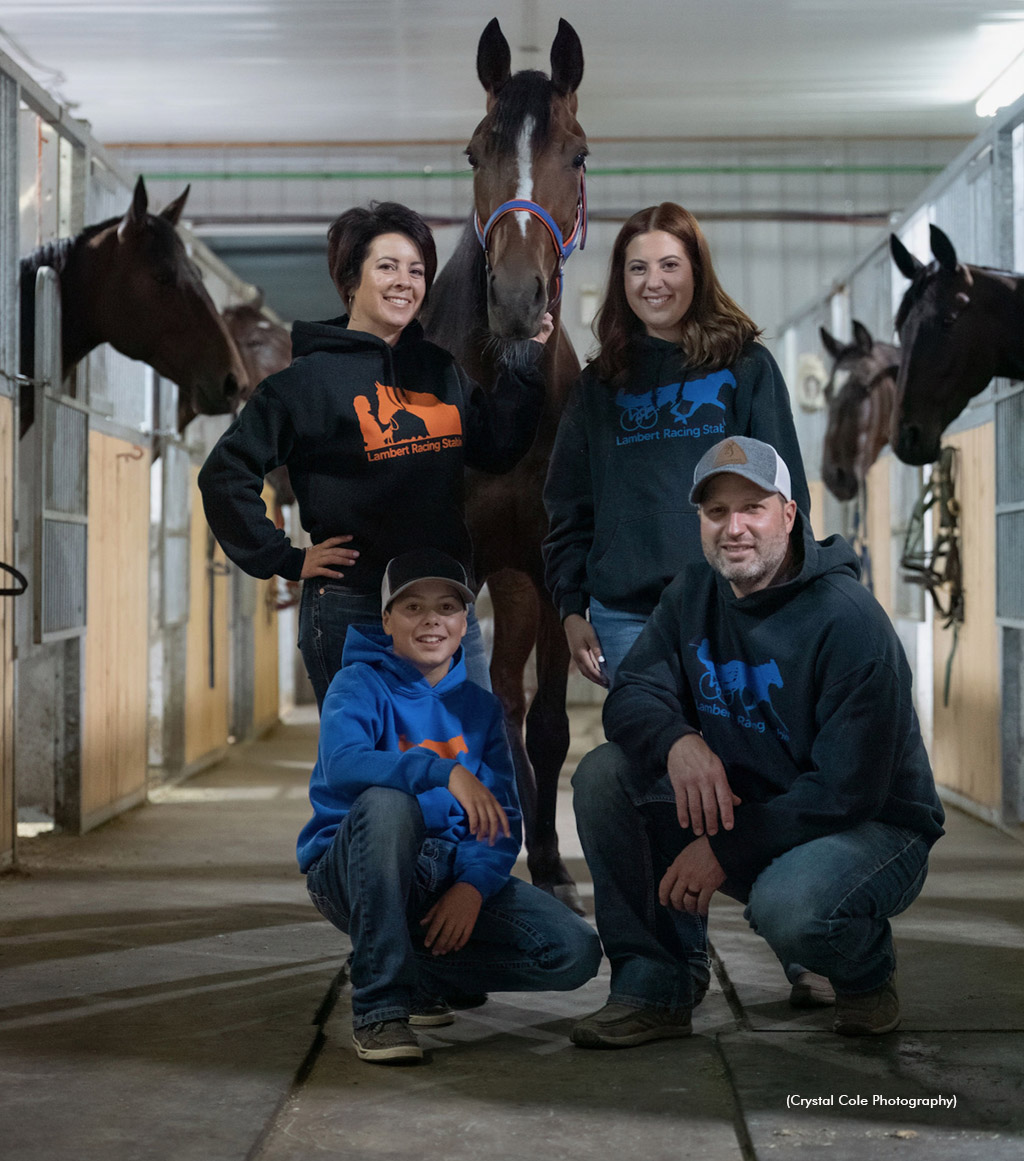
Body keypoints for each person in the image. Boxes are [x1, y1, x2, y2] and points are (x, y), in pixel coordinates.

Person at [570, 436, 944, 1048]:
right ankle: (654, 987)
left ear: (789, 515)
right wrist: (678, 743)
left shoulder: (848, 621)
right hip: (756, 806)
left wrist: (727, 848)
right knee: (606, 774)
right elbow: (633, 693)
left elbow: (849, 789)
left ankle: (866, 969)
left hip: (871, 828)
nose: (733, 528)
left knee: (789, 908)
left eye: (753, 508)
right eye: (716, 512)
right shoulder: (692, 593)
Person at [199, 201, 553, 708]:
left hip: (445, 605)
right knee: (375, 774)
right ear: (350, 282)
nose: (404, 282)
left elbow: (497, 449)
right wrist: (286, 558)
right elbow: (224, 474)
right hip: (354, 608)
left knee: (466, 766)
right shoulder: (306, 383)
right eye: (387, 267)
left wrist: (525, 367)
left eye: (416, 271)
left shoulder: (438, 369)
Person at [298, 547, 601, 1064]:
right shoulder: (358, 684)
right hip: (352, 870)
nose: (431, 619)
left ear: (465, 623)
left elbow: (502, 818)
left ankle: (408, 966)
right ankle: (381, 1009)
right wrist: (442, 770)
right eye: (412, 607)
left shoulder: (480, 709)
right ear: (387, 619)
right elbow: (345, 763)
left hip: (445, 873)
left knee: (573, 952)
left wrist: (471, 887)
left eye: (447, 607)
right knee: (389, 803)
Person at [543, 202, 809, 687]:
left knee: (740, 757)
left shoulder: (747, 368)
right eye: (638, 268)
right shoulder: (597, 388)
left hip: (735, 606)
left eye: (670, 265)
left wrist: (790, 598)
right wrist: (571, 609)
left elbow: (787, 492)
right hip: (625, 617)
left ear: (697, 272)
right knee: (650, 752)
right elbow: (569, 509)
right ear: (621, 281)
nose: (654, 282)